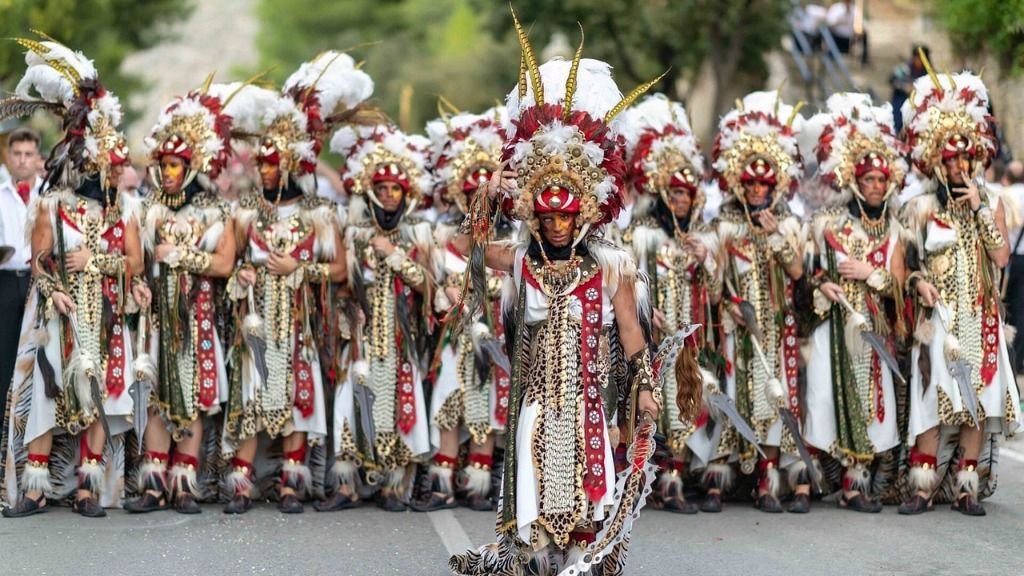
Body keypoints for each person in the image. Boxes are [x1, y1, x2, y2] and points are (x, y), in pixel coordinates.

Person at [448, 13, 700, 575]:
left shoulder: (611, 265)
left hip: (591, 398)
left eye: (566, 216)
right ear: (535, 215)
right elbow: (460, 244)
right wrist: (490, 195)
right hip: (535, 401)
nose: (557, 225)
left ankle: (582, 563)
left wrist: (643, 393)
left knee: (588, 505)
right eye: (546, 215)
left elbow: (632, 335)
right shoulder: (519, 261)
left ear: (584, 212)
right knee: (535, 506)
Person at [1, 35, 142, 518]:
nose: (94, 169)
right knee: (47, 393)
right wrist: (56, 287)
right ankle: (37, 487)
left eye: (100, 164)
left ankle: (87, 486)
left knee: (104, 393)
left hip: (104, 316)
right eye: (86, 162)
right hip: (57, 314)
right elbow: (39, 259)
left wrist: (95, 263)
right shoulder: (50, 206)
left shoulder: (121, 212)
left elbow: (134, 265)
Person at [224, 53, 363, 514]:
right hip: (257, 323)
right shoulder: (243, 212)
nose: (263, 171)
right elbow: (232, 262)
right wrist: (243, 273)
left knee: (299, 398)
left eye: (271, 164)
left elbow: (341, 271)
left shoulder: (319, 215)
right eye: (260, 163)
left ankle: (291, 482)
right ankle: (241, 484)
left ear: (288, 166)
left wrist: (298, 271)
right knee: (252, 396)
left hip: (300, 323)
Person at [122, 82, 252, 514]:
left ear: (192, 164)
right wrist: (137, 282)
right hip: (157, 317)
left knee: (193, 397)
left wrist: (180, 255)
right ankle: (155, 485)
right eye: (163, 163)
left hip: (198, 318)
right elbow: (134, 260)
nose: (169, 171)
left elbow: (224, 265)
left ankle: (185, 484)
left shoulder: (217, 212)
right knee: (159, 397)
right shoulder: (144, 209)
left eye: (176, 164)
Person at [899, 63, 1021, 516]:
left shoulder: (994, 204)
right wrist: (920, 285)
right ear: (935, 161)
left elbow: (1002, 258)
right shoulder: (920, 208)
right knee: (932, 402)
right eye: (948, 159)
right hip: (938, 322)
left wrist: (981, 211)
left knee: (978, 403)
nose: (957, 165)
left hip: (981, 318)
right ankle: (922, 486)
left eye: (964, 158)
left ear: (977, 158)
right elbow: (906, 270)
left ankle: (967, 486)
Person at [803, 93, 909, 512]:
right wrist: (823, 287)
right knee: (826, 398)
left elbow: (898, 284)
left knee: (870, 405)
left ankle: (855, 483)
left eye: (882, 181)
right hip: (832, 328)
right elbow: (809, 275)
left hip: (873, 330)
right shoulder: (827, 225)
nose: (877, 187)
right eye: (869, 180)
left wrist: (871, 274)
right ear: (854, 183)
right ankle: (819, 480)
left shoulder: (897, 231)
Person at [327, 121, 438, 512]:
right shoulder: (353, 234)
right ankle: (348, 485)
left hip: (399, 338)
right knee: (350, 401)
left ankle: (394, 485)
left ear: (405, 194)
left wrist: (393, 255)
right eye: (382, 189)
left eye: (395, 190)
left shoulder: (419, 234)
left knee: (398, 402)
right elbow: (341, 283)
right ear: (371, 192)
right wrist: (345, 310)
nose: (389, 196)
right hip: (360, 336)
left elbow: (429, 287)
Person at [710, 91, 810, 514]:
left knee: (774, 398)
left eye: (763, 184)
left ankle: (768, 481)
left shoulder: (787, 221)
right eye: (748, 183)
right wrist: (724, 304)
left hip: (777, 328)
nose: (754, 189)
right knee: (731, 394)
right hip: (737, 329)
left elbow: (798, 273)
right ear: (737, 182)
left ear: (776, 184)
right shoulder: (724, 224)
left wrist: (774, 239)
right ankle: (719, 478)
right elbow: (712, 286)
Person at [620, 94, 721, 513]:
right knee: (654, 403)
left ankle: (678, 475)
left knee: (689, 401)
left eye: (687, 193)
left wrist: (707, 262)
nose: (681, 200)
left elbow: (715, 296)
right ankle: (658, 479)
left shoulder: (702, 237)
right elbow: (626, 281)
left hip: (692, 338)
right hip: (655, 336)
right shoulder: (642, 234)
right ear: (661, 193)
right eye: (674, 193)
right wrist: (646, 312)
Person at [415, 106, 510, 512]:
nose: (480, 202)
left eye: (486, 196)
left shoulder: (515, 237)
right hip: (455, 339)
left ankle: (479, 481)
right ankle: (442, 482)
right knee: (449, 405)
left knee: (486, 407)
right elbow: (435, 278)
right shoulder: (443, 236)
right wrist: (448, 295)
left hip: (496, 339)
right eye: (473, 196)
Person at [0, 128, 45, 423]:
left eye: (28, 154)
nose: (22, 160)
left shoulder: (49, 196)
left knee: (39, 357)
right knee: (5, 356)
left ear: (37, 158)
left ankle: (35, 432)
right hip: (5, 281)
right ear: (7, 156)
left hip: (39, 281)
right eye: (17, 154)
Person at [1000, 161, 1024, 372]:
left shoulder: (1005, 196)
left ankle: (1011, 358)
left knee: (1008, 308)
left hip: (1011, 257)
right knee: (1021, 308)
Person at [889, 45, 929, 133]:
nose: (919, 61)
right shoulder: (904, 69)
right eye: (917, 58)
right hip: (903, 98)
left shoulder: (929, 73)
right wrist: (905, 87)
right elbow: (893, 81)